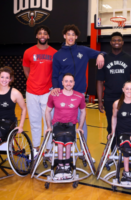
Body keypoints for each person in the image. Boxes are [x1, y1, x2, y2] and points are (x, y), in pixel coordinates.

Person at [51, 24, 105, 143]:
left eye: (73, 35)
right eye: (68, 34)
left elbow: (104, 53)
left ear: (76, 37)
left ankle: (84, 151)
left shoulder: (83, 50)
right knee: (56, 120)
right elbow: (54, 75)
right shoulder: (57, 55)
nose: (71, 37)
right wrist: (55, 88)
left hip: (79, 91)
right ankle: (55, 150)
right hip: (62, 92)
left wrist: (100, 55)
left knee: (81, 121)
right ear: (64, 36)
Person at [97, 32, 131, 150]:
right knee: (111, 124)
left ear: (122, 42)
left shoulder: (130, 59)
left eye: (119, 40)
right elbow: (100, 81)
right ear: (110, 43)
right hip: (110, 97)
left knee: (130, 123)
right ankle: (112, 150)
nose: (116, 42)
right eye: (114, 40)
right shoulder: (104, 59)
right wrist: (100, 100)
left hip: (126, 97)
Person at [22, 25, 57, 157]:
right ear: (36, 36)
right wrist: (32, 79)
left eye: (45, 33)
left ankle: (48, 149)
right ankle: (36, 148)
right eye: (40, 33)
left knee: (48, 121)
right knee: (34, 120)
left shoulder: (54, 53)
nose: (42, 35)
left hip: (48, 92)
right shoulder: (28, 52)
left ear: (48, 36)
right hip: (31, 91)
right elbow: (26, 69)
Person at [45, 73, 86, 180]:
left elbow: (83, 111)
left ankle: (67, 166)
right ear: (62, 83)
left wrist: (80, 127)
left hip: (71, 125)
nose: (68, 83)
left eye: (71, 81)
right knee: (59, 141)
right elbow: (48, 111)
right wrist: (49, 127)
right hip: (57, 124)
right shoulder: (54, 94)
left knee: (68, 141)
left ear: (74, 83)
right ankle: (59, 166)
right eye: (66, 81)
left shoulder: (79, 96)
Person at [108, 81, 131, 185]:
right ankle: (126, 172)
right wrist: (113, 132)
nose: (129, 91)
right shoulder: (117, 103)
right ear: (123, 90)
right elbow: (114, 117)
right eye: (127, 88)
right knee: (126, 145)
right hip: (121, 132)